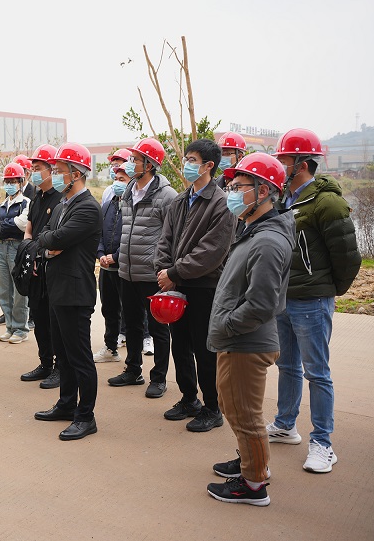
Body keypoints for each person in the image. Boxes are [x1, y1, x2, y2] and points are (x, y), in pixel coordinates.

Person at [268, 128, 362, 473]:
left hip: (312, 301)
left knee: (317, 372)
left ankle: (323, 443)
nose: (280, 166)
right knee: (287, 366)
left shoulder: (327, 202)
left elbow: (348, 257)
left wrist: (327, 289)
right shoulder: (281, 198)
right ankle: (285, 424)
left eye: (284, 160)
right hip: (283, 298)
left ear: (302, 164)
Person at [206, 153, 294, 506]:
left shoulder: (268, 241)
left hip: (245, 341)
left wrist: (227, 325)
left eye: (238, 186)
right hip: (238, 338)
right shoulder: (254, 231)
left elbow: (261, 304)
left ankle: (254, 484)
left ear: (263, 191)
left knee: (244, 413)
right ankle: (249, 462)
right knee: (233, 406)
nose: (231, 192)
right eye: (231, 186)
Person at [154, 139, 236, 432]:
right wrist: (164, 270)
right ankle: (189, 398)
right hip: (175, 285)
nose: (186, 164)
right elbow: (164, 240)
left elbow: (212, 252)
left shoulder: (222, 203)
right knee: (180, 344)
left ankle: (213, 407)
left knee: (205, 349)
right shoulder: (179, 200)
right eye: (186, 159)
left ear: (209, 165)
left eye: (192, 160)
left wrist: (174, 272)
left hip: (204, 286)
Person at [32, 144, 102, 441]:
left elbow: (57, 237)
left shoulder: (88, 208)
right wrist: (49, 246)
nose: (56, 176)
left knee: (79, 356)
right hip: (57, 288)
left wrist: (50, 242)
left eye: (60, 171)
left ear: (76, 174)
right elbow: (43, 237)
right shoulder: (62, 205)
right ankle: (66, 404)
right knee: (63, 354)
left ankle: (85, 416)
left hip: (75, 292)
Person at [109, 138, 177, 398]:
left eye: (135, 160)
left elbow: (174, 236)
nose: (130, 163)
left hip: (152, 274)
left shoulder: (167, 196)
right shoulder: (128, 190)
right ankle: (133, 370)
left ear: (149, 165)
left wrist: (166, 269)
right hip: (127, 271)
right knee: (133, 324)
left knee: (158, 329)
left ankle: (159, 378)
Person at [19, 145, 63, 387]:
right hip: (34, 267)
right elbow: (29, 230)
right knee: (39, 318)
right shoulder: (37, 197)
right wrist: (30, 253)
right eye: (32, 168)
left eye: (38, 168)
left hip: (52, 268)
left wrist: (39, 254)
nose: (33, 173)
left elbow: (55, 239)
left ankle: (59, 368)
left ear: (51, 170)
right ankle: (45, 363)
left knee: (54, 320)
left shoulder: (60, 199)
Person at [93, 166, 129, 365]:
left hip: (125, 268)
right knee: (109, 309)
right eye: (116, 178)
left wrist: (116, 256)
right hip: (106, 268)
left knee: (130, 313)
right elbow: (98, 233)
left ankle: (134, 358)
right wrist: (100, 254)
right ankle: (110, 347)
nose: (117, 182)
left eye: (122, 179)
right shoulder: (107, 205)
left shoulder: (133, 205)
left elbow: (133, 237)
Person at [0, 162, 30, 344]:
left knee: (18, 291)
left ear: (21, 182)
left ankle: (20, 328)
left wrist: (3, 226)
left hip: (17, 248)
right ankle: (9, 326)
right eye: (7, 181)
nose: (10, 184)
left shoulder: (26, 203)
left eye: (13, 181)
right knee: (3, 290)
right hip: (2, 248)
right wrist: (7, 225)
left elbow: (22, 224)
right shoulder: (2, 205)